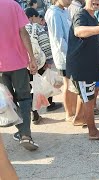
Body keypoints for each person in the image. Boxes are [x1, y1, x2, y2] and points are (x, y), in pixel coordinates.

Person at [66, 0, 99, 140]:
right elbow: (79, 31)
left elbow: (90, 38)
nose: (97, 1)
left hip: (90, 65)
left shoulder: (93, 16)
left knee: (85, 95)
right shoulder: (81, 14)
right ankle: (92, 132)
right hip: (82, 67)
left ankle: (78, 119)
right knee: (88, 98)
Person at [0, 0, 39, 151]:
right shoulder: (13, 5)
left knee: (8, 100)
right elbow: (23, 32)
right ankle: (25, 135)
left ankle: (21, 131)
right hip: (18, 62)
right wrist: (32, 58)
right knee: (24, 98)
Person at [25, 8, 63, 124]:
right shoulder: (36, 28)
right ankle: (49, 104)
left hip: (24, 64)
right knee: (46, 81)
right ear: (32, 17)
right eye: (37, 17)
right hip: (38, 63)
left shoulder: (19, 29)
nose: (39, 20)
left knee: (28, 88)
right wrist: (49, 61)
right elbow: (45, 44)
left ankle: (34, 113)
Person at [45, 0, 78, 122]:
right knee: (68, 85)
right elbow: (58, 39)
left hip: (71, 53)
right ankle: (69, 113)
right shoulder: (54, 13)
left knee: (73, 85)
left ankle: (75, 111)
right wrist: (70, 54)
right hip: (65, 56)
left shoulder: (63, 11)